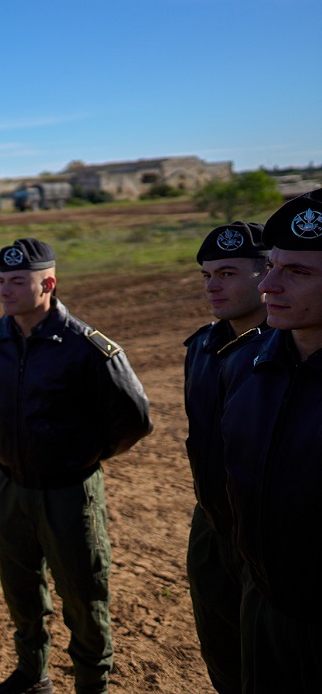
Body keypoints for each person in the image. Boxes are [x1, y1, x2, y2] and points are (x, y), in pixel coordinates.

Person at [0, 238, 152, 694]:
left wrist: (84, 456)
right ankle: (33, 676)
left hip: (70, 492)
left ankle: (92, 685)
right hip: (11, 486)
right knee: (20, 588)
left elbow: (136, 419)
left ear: (48, 284)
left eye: (18, 282)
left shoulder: (86, 347)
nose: (5, 291)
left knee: (84, 596)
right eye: (2, 282)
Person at [217, 190, 322, 693]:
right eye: (272, 266)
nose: (269, 286)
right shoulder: (244, 365)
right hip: (263, 603)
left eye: (298, 272)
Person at [183, 222, 267, 694]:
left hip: (268, 538)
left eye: (228, 273)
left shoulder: (289, 352)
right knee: (222, 653)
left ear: (265, 274)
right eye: (206, 275)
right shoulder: (202, 347)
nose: (213, 286)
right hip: (212, 527)